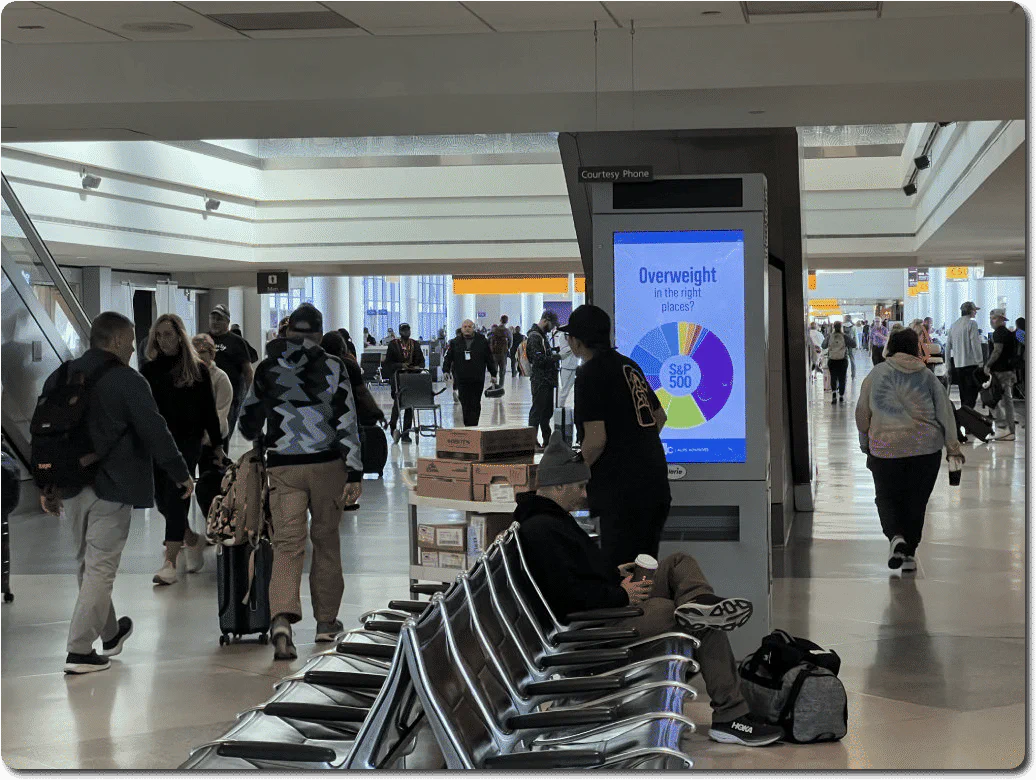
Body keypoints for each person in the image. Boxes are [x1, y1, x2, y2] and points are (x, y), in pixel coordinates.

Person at [516, 432, 782, 747]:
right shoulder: (542, 531)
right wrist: (621, 594)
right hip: (594, 627)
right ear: (559, 486)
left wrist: (613, 574)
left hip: (605, 605)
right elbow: (565, 598)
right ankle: (730, 715)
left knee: (678, 563)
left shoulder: (552, 520)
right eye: (579, 487)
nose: (585, 495)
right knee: (678, 615)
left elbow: (574, 575)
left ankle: (699, 602)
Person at [39, 312, 193, 674]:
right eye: (132, 340)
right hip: (114, 484)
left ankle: (109, 633)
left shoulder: (61, 375)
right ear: (118, 340)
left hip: (71, 484)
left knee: (88, 564)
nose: (133, 347)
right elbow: (155, 430)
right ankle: (79, 651)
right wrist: (180, 473)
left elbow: (45, 433)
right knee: (100, 568)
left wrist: (47, 485)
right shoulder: (127, 380)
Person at [238, 304, 364, 661]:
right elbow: (347, 420)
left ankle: (281, 622)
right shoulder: (333, 366)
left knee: (287, 546)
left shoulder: (267, 368)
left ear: (288, 331)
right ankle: (326, 623)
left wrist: (270, 429)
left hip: (284, 468)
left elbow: (247, 422)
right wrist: (354, 471)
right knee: (326, 542)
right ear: (319, 334)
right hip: (327, 467)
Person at [563, 305, 671, 573]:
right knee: (643, 570)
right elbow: (659, 417)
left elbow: (596, 440)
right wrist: (634, 444)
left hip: (621, 493)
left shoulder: (589, 374)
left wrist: (570, 475)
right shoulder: (629, 365)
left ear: (577, 341)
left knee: (619, 572)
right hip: (655, 484)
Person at [856, 327, 963, 572]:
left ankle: (896, 537)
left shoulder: (876, 374)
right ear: (915, 348)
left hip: (885, 447)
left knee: (886, 496)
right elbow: (946, 413)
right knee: (916, 500)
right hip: (925, 449)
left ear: (891, 346)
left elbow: (862, 413)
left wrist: (865, 443)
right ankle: (909, 554)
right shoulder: (927, 376)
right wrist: (953, 448)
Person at [142, 315, 224, 584]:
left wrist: (217, 446)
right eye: (159, 335)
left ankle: (170, 562)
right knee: (162, 501)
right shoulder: (149, 371)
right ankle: (191, 539)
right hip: (159, 442)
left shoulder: (197, 370)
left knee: (177, 495)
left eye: (168, 334)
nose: (163, 340)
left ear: (180, 336)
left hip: (188, 441)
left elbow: (209, 412)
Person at [208, 304, 254, 446]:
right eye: (213, 318)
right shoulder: (204, 340)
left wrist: (252, 395)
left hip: (230, 397)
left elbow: (247, 370)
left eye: (219, 319)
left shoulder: (237, 342)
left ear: (227, 322)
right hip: (206, 395)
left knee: (222, 435)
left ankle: (221, 455)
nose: (215, 322)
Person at [443, 319, 498, 426]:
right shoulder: (455, 342)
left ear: (473, 328)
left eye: (469, 327)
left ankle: (474, 424)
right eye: (465, 327)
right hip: (462, 377)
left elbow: (489, 358)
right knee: (464, 402)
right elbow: (448, 357)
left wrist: (493, 374)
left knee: (475, 402)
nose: (467, 329)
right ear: (461, 329)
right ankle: (468, 424)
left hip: (477, 377)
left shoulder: (482, 340)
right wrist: (446, 370)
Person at [191, 333, 234, 456]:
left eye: (203, 352)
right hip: (194, 438)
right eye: (195, 352)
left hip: (214, 439)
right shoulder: (188, 376)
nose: (199, 356)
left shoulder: (221, 378)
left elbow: (220, 413)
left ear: (211, 354)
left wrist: (207, 438)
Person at [384, 323, 425, 443]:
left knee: (409, 405)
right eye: (403, 330)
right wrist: (400, 365)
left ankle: (406, 433)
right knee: (397, 403)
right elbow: (388, 364)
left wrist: (417, 367)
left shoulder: (415, 344)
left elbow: (422, 361)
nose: (406, 332)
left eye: (407, 330)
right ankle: (393, 427)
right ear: (400, 332)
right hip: (398, 378)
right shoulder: (393, 345)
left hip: (412, 378)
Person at [982, 308, 1018, 442]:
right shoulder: (1009, 333)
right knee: (1007, 401)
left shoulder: (998, 333)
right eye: (991, 318)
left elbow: (997, 351)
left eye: (994, 318)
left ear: (1001, 319)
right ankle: (1010, 430)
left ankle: (1003, 427)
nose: (992, 321)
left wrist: (988, 365)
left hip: (1000, 372)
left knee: (993, 399)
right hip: (1008, 371)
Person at [526, 310, 561, 448]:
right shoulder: (535, 337)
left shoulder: (541, 336)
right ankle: (532, 442)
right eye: (552, 325)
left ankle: (547, 441)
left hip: (547, 380)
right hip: (540, 380)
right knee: (537, 411)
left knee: (546, 413)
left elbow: (544, 354)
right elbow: (538, 360)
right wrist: (555, 357)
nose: (552, 329)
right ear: (545, 320)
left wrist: (554, 351)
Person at [946, 301, 984, 411]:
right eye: (975, 310)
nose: (976, 312)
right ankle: (968, 416)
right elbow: (975, 344)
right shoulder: (972, 324)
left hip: (958, 365)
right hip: (971, 365)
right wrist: (980, 362)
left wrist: (948, 365)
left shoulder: (954, 325)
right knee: (972, 395)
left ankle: (964, 415)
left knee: (963, 394)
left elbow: (948, 347)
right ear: (971, 311)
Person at [822, 321, 852, 404]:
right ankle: (841, 396)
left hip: (832, 360)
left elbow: (823, 345)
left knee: (833, 377)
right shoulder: (844, 336)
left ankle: (834, 395)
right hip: (843, 360)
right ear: (841, 327)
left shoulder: (829, 336)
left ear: (833, 327)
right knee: (842, 378)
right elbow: (854, 344)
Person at [555, 329, 581, 408]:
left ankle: (562, 406)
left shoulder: (575, 336)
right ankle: (560, 406)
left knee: (571, 390)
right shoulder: (562, 336)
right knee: (564, 390)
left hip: (574, 367)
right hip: (566, 367)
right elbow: (564, 350)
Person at [489, 315, 512, 384]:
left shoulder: (495, 330)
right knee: (502, 371)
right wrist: (507, 348)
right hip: (503, 353)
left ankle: (494, 385)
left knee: (494, 370)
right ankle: (501, 385)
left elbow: (491, 340)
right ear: (507, 321)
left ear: (500, 320)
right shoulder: (507, 331)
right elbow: (510, 342)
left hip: (495, 352)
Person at [842, 316, 858, 381]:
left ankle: (845, 375)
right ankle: (853, 376)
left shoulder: (842, 326)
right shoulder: (853, 327)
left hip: (844, 345)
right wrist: (857, 346)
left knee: (844, 360)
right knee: (852, 360)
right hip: (852, 344)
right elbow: (855, 336)